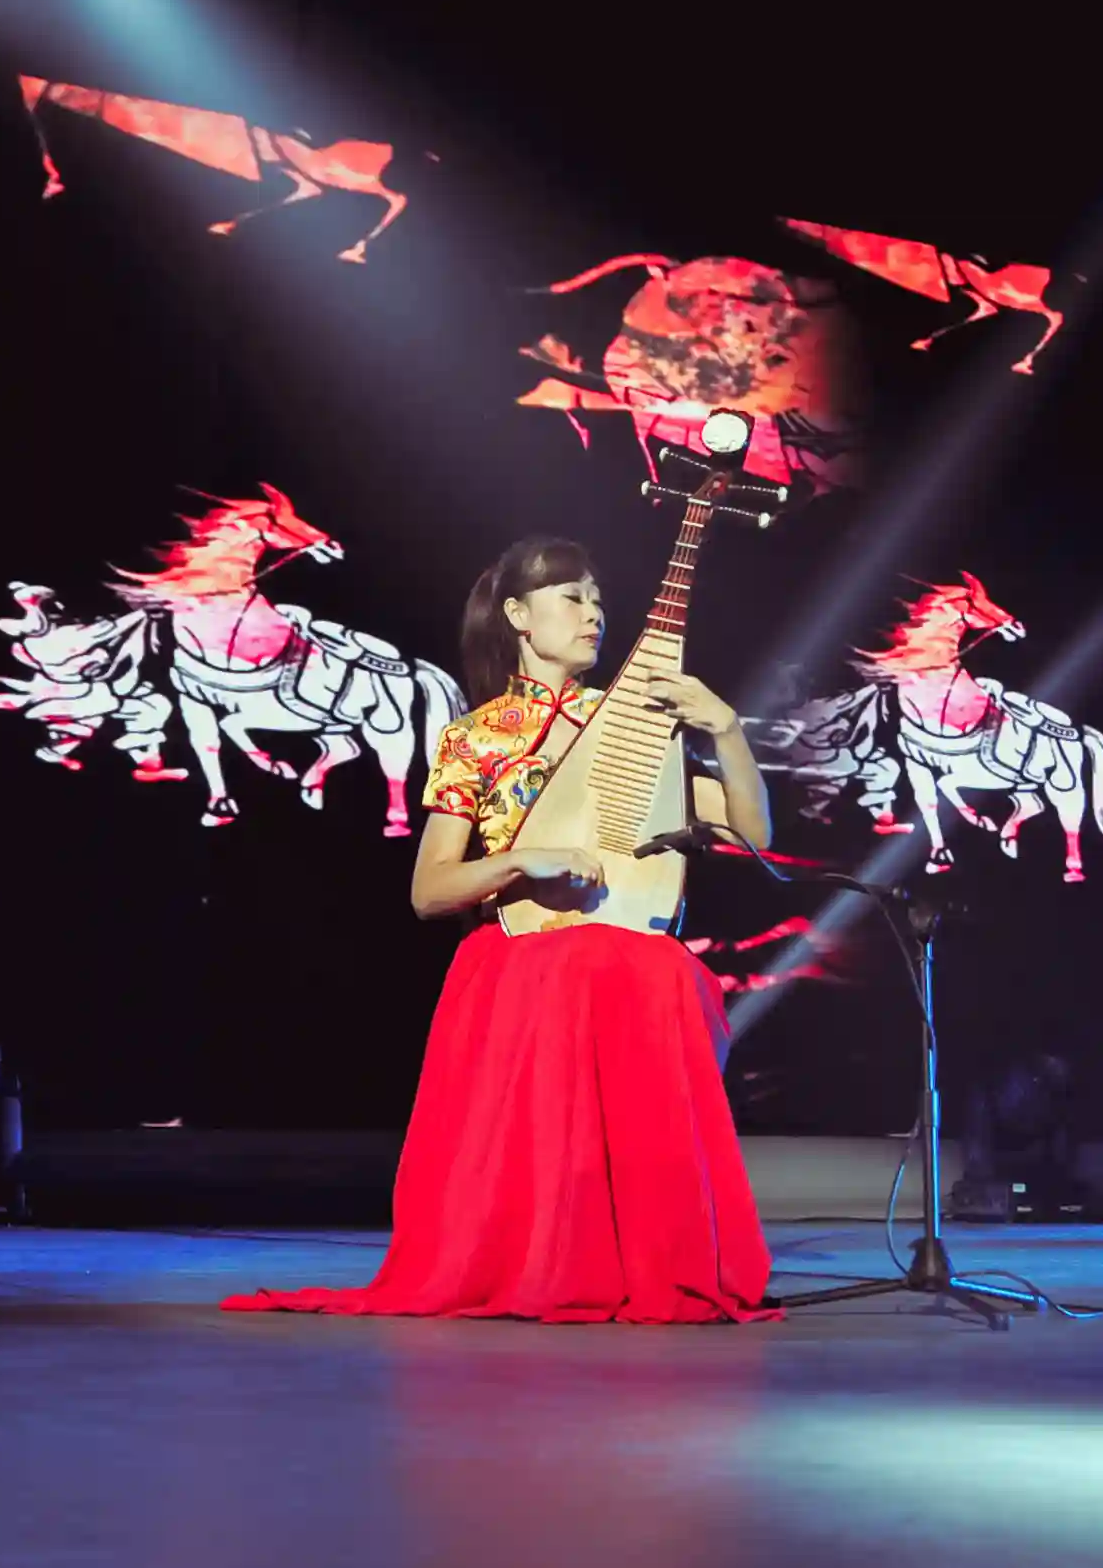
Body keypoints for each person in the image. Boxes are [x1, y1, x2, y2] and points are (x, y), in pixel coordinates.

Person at [223, 536, 781, 1322]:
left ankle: (655, 1263)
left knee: (651, 982)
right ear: (518, 615)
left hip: (631, 969)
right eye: (571, 598)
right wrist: (526, 859)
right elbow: (431, 890)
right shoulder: (477, 737)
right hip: (528, 969)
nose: (593, 614)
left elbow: (747, 830)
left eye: (597, 599)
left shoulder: (634, 724)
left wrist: (726, 730)